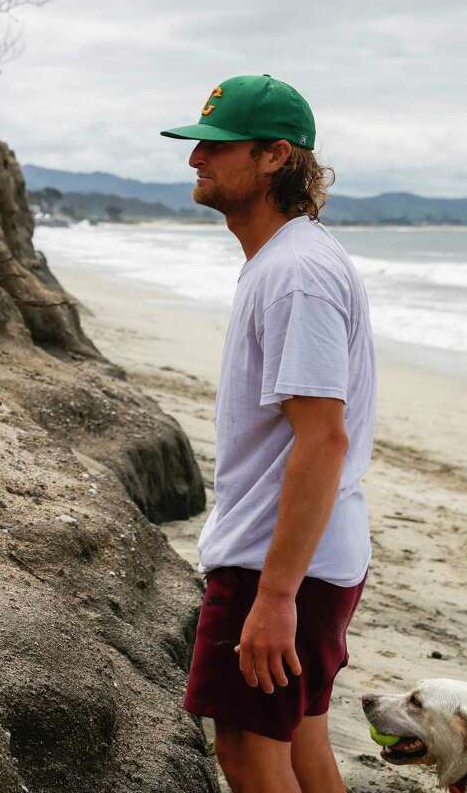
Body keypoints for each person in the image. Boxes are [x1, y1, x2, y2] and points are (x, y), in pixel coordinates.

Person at [160, 75, 377, 792]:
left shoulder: (296, 276)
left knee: (251, 756)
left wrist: (275, 597)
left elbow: (324, 441)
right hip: (303, 553)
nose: (197, 160)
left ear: (276, 156)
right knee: (301, 749)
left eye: (218, 148)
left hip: (278, 562)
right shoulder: (286, 261)